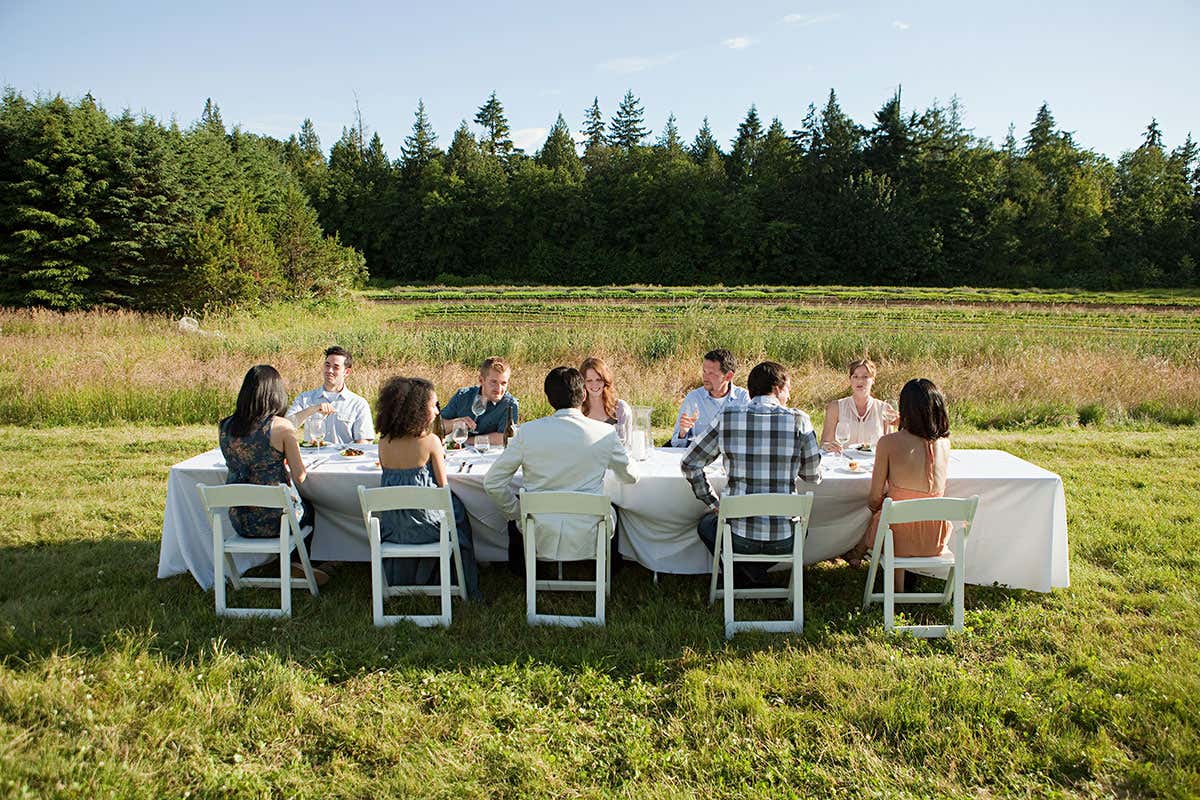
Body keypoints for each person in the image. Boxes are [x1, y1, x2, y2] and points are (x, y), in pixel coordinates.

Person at [681, 361, 822, 588]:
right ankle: (754, 577)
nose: (788, 396)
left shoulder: (727, 417)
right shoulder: (799, 420)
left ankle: (742, 576)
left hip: (738, 538)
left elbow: (690, 462)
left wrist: (712, 501)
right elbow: (812, 475)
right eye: (788, 389)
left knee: (707, 524)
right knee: (799, 528)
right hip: (785, 540)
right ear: (777, 388)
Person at [485, 367, 639, 568]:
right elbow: (631, 476)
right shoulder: (605, 433)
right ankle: (609, 567)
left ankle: (524, 568)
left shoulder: (527, 432)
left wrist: (516, 511)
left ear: (549, 399)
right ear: (584, 395)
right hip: (591, 529)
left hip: (538, 528)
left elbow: (492, 482)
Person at [219, 365, 327, 585]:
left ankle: (288, 563)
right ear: (276, 394)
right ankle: (299, 563)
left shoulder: (225, 426)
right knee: (309, 508)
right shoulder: (281, 428)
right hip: (276, 521)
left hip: (240, 519)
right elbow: (300, 476)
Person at [376, 376, 481, 600]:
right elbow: (443, 489)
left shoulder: (383, 442)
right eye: (433, 405)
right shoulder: (431, 441)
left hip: (394, 527)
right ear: (416, 410)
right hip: (427, 527)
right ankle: (465, 583)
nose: (437, 411)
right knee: (459, 514)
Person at [843, 378, 952, 591]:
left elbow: (874, 498)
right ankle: (859, 553)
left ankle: (860, 554)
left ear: (904, 408)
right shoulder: (945, 443)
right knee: (894, 509)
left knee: (885, 511)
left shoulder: (889, 443)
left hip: (897, 539)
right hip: (935, 537)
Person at [286, 345, 374, 444]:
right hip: (313, 454)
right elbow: (285, 426)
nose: (329, 371)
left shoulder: (358, 404)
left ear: (347, 372)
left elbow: (363, 443)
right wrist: (312, 409)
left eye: (336, 367)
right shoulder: (305, 398)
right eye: (327, 365)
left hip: (344, 454)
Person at [671, 349, 751, 447]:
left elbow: (751, 439)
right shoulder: (693, 398)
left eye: (711, 373)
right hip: (700, 455)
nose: (705, 377)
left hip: (731, 455)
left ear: (728, 376)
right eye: (704, 371)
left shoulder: (743, 399)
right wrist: (682, 433)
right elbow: (676, 444)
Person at [820, 358, 898, 452]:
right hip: (843, 460)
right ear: (850, 379)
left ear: (873, 380)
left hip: (874, 460)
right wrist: (827, 446)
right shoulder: (835, 407)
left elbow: (890, 446)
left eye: (865, 377)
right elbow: (824, 443)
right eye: (855, 376)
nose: (860, 380)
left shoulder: (885, 409)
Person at [439, 356, 519, 446]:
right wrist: (455, 423)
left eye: (503, 383)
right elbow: (437, 426)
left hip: (490, 454)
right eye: (494, 382)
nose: (499, 389)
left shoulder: (509, 405)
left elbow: (504, 437)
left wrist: (467, 441)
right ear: (481, 380)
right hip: (456, 453)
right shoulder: (463, 396)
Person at [580, 356, 631, 437]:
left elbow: (627, 442)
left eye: (598, 380)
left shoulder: (621, 409)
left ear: (605, 380)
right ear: (583, 383)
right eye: (589, 380)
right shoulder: (578, 410)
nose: (594, 384)